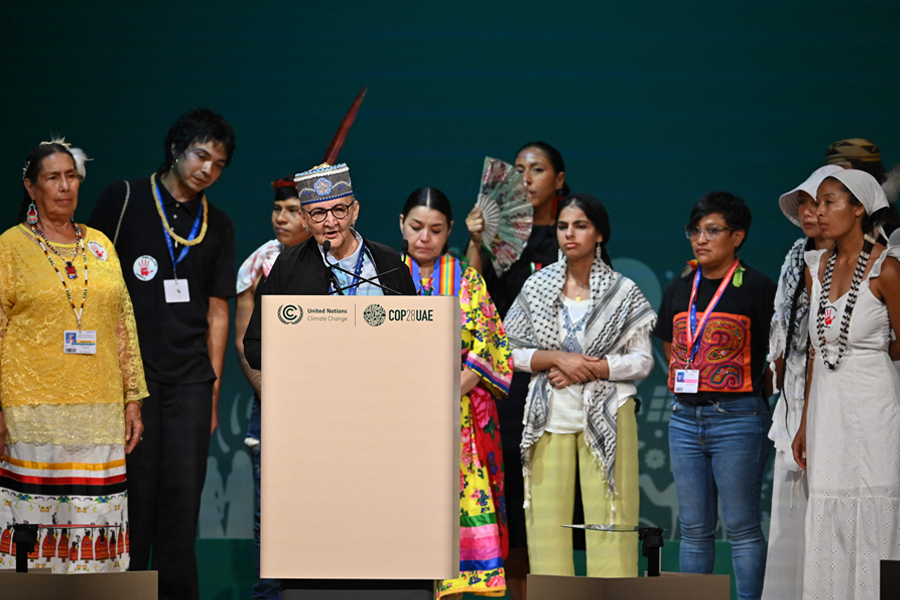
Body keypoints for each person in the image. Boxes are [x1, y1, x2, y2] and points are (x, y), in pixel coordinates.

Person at [88, 108, 237, 600]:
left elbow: (218, 313)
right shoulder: (123, 197)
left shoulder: (219, 224)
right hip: (131, 379)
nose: (206, 170)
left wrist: (212, 390)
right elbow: (91, 285)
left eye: (217, 164)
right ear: (176, 149)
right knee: (132, 499)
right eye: (200, 155)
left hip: (191, 384)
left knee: (181, 504)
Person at [0, 140, 146, 572]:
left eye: (71, 176)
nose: (65, 186)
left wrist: (132, 394)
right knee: (32, 530)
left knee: (94, 524)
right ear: (31, 187)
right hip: (31, 415)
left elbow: (123, 321)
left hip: (98, 414)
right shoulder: (10, 247)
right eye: (52, 178)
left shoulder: (100, 245)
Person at [504, 194, 655, 577]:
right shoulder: (537, 286)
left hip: (607, 413)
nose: (569, 234)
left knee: (610, 520)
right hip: (549, 412)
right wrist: (555, 359)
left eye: (581, 225)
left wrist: (590, 368)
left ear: (599, 234)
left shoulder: (622, 291)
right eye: (563, 226)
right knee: (546, 526)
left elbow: (642, 361)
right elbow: (507, 351)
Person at [653, 192, 776, 600]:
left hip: (739, 417)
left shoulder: (758, 287)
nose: (700, 240)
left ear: (737, 236)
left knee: (741, 528)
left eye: (713, 231)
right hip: (685, 419)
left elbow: (777, 354)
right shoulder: (680, 287)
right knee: (693, 530)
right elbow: (670, 346)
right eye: (695, 231)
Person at [464, 141, 568, 598]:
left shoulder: (570, 235)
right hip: (508, 381)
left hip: (555, 378)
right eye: (520, 169)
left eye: (538, 169)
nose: (525, 178)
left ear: (558, 181)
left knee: (546, 496)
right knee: (507, 491)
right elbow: (473, 296)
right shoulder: (499, 236)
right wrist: (474, 240)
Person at [791, 169, 900, 600]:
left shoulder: (888, 269)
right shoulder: (815, 268)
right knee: (829, 503)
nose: (819, 211)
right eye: (817, 202)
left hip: (875, 400)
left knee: (874, 501)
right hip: (827, 404)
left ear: (859, 209)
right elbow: (817, 351)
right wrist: (803, 423)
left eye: (830, 201)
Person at [399, 187, 512, 597]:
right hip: (396, 414)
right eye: (416, 227)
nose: (424, 237)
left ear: (449, 232)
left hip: (455, 413)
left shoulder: (466, 278)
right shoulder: (382, 277)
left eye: (435, 229)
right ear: (401, 225)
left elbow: (489, 346)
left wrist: (446, 394)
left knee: (456, 504)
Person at [243, 162, 416, 370]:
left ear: (355, 212)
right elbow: (255, 346)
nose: (330, 222)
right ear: (304, 219)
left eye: (339, 210)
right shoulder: (287, 267)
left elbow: (414, 335)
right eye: (318, 213)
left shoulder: (389, 263)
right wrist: (304, 358)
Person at [761, 165, 842, 600]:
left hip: (835, 383)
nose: (810, 213)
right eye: (805, 205)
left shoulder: (869, 258)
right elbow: (781, 317)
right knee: (791, 501)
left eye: (820, 203)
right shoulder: (796, 255)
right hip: (794, 384)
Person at [234, 178, 309, 600]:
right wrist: (266, 388)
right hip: (272, 405)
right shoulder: (259, 263)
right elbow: (247, 338)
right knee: (271, 514)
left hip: (322, 405)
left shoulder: (335, 261)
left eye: (294, 209)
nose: (283, 218)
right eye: (278, 209)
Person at [825, 138, 900, 242]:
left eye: (842, 169)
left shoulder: (894, 235)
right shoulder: (823, 230)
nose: (835, 177)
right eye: (830, 171)